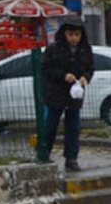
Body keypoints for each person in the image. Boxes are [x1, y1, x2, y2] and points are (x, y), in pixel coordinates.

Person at [38, 15, 93, 171]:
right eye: (71, 34)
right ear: (64, 34)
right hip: (55, 94)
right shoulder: (53, 49)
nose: (74, 38)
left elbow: (90, 68)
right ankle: (44, 153)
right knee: (50, 126)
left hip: (75, 96)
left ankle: (71, 158)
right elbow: (46, 69)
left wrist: (85, 77)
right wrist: (63, 76)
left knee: (73, 128)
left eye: (77, 34)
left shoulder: (85, 50)